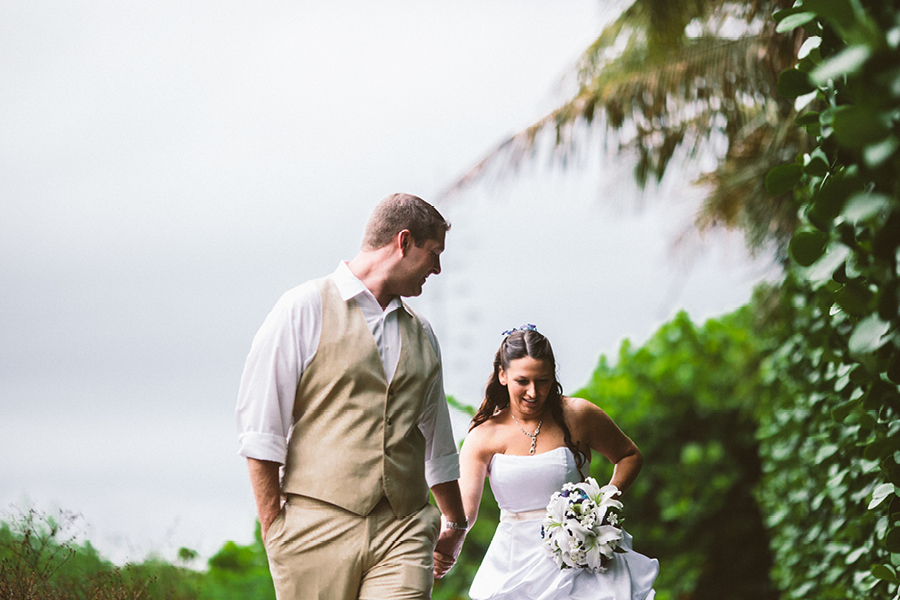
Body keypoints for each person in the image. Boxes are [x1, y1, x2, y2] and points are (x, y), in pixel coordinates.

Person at [235, 193, 467, 600]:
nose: (438, 268)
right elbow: (261, 426)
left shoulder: (423, 333)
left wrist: (455, 523)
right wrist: (274, 528)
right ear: (404, 241)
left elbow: (438, 439)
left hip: (404, 529)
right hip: (314, 528)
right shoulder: (303, 308)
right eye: (433, 253)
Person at [458, 326, 659, 600]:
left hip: (583, 557)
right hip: (515, 563)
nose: (533, 392)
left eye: (542, 381)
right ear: (502, 376)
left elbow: (628, 455)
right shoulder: (482, 437)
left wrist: (601, 506)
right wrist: (442, 539)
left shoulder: (578, 415)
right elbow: (464, 514)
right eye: (523, 381)